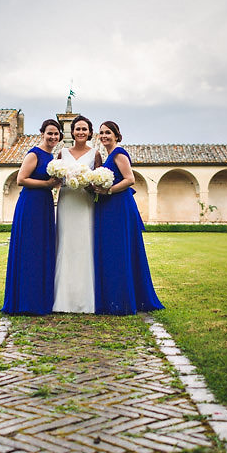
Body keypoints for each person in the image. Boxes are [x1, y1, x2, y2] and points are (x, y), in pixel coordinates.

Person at [92, 121, 164, 315]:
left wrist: (108, 190)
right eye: (101, 133)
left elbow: (130, 179)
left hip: (119, 206)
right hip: (109, 206)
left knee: (121, 249)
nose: (104, 136)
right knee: (113, 251)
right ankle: (114, 297)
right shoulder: (108, 156)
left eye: (108, 132)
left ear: (117, 135)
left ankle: (123, 299)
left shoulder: (119, 154)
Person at [2, 119, 62, 314]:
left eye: (56, 134)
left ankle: (40, 298)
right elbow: (21, 179)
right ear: (42, 134)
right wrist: (47, 185)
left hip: (44, 204)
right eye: (49, 133)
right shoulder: (34, 154)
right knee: (30, 249)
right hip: (30, 204)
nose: (53, 137)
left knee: (43, 249)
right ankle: (26, 301)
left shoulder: (52, 157)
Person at [53, 115, 101, 313]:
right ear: (72, 131)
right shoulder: (62, 153)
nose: (81, 132)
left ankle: (85, 299)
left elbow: (99, 181)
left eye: (85, 129)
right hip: (67, 201)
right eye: (78, 128)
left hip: (84, 202)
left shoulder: (96, 154)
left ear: (90, 132)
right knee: (66, 244)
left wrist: (89, 185)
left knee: (84, 244)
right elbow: (55, 178)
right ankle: (63, 299)